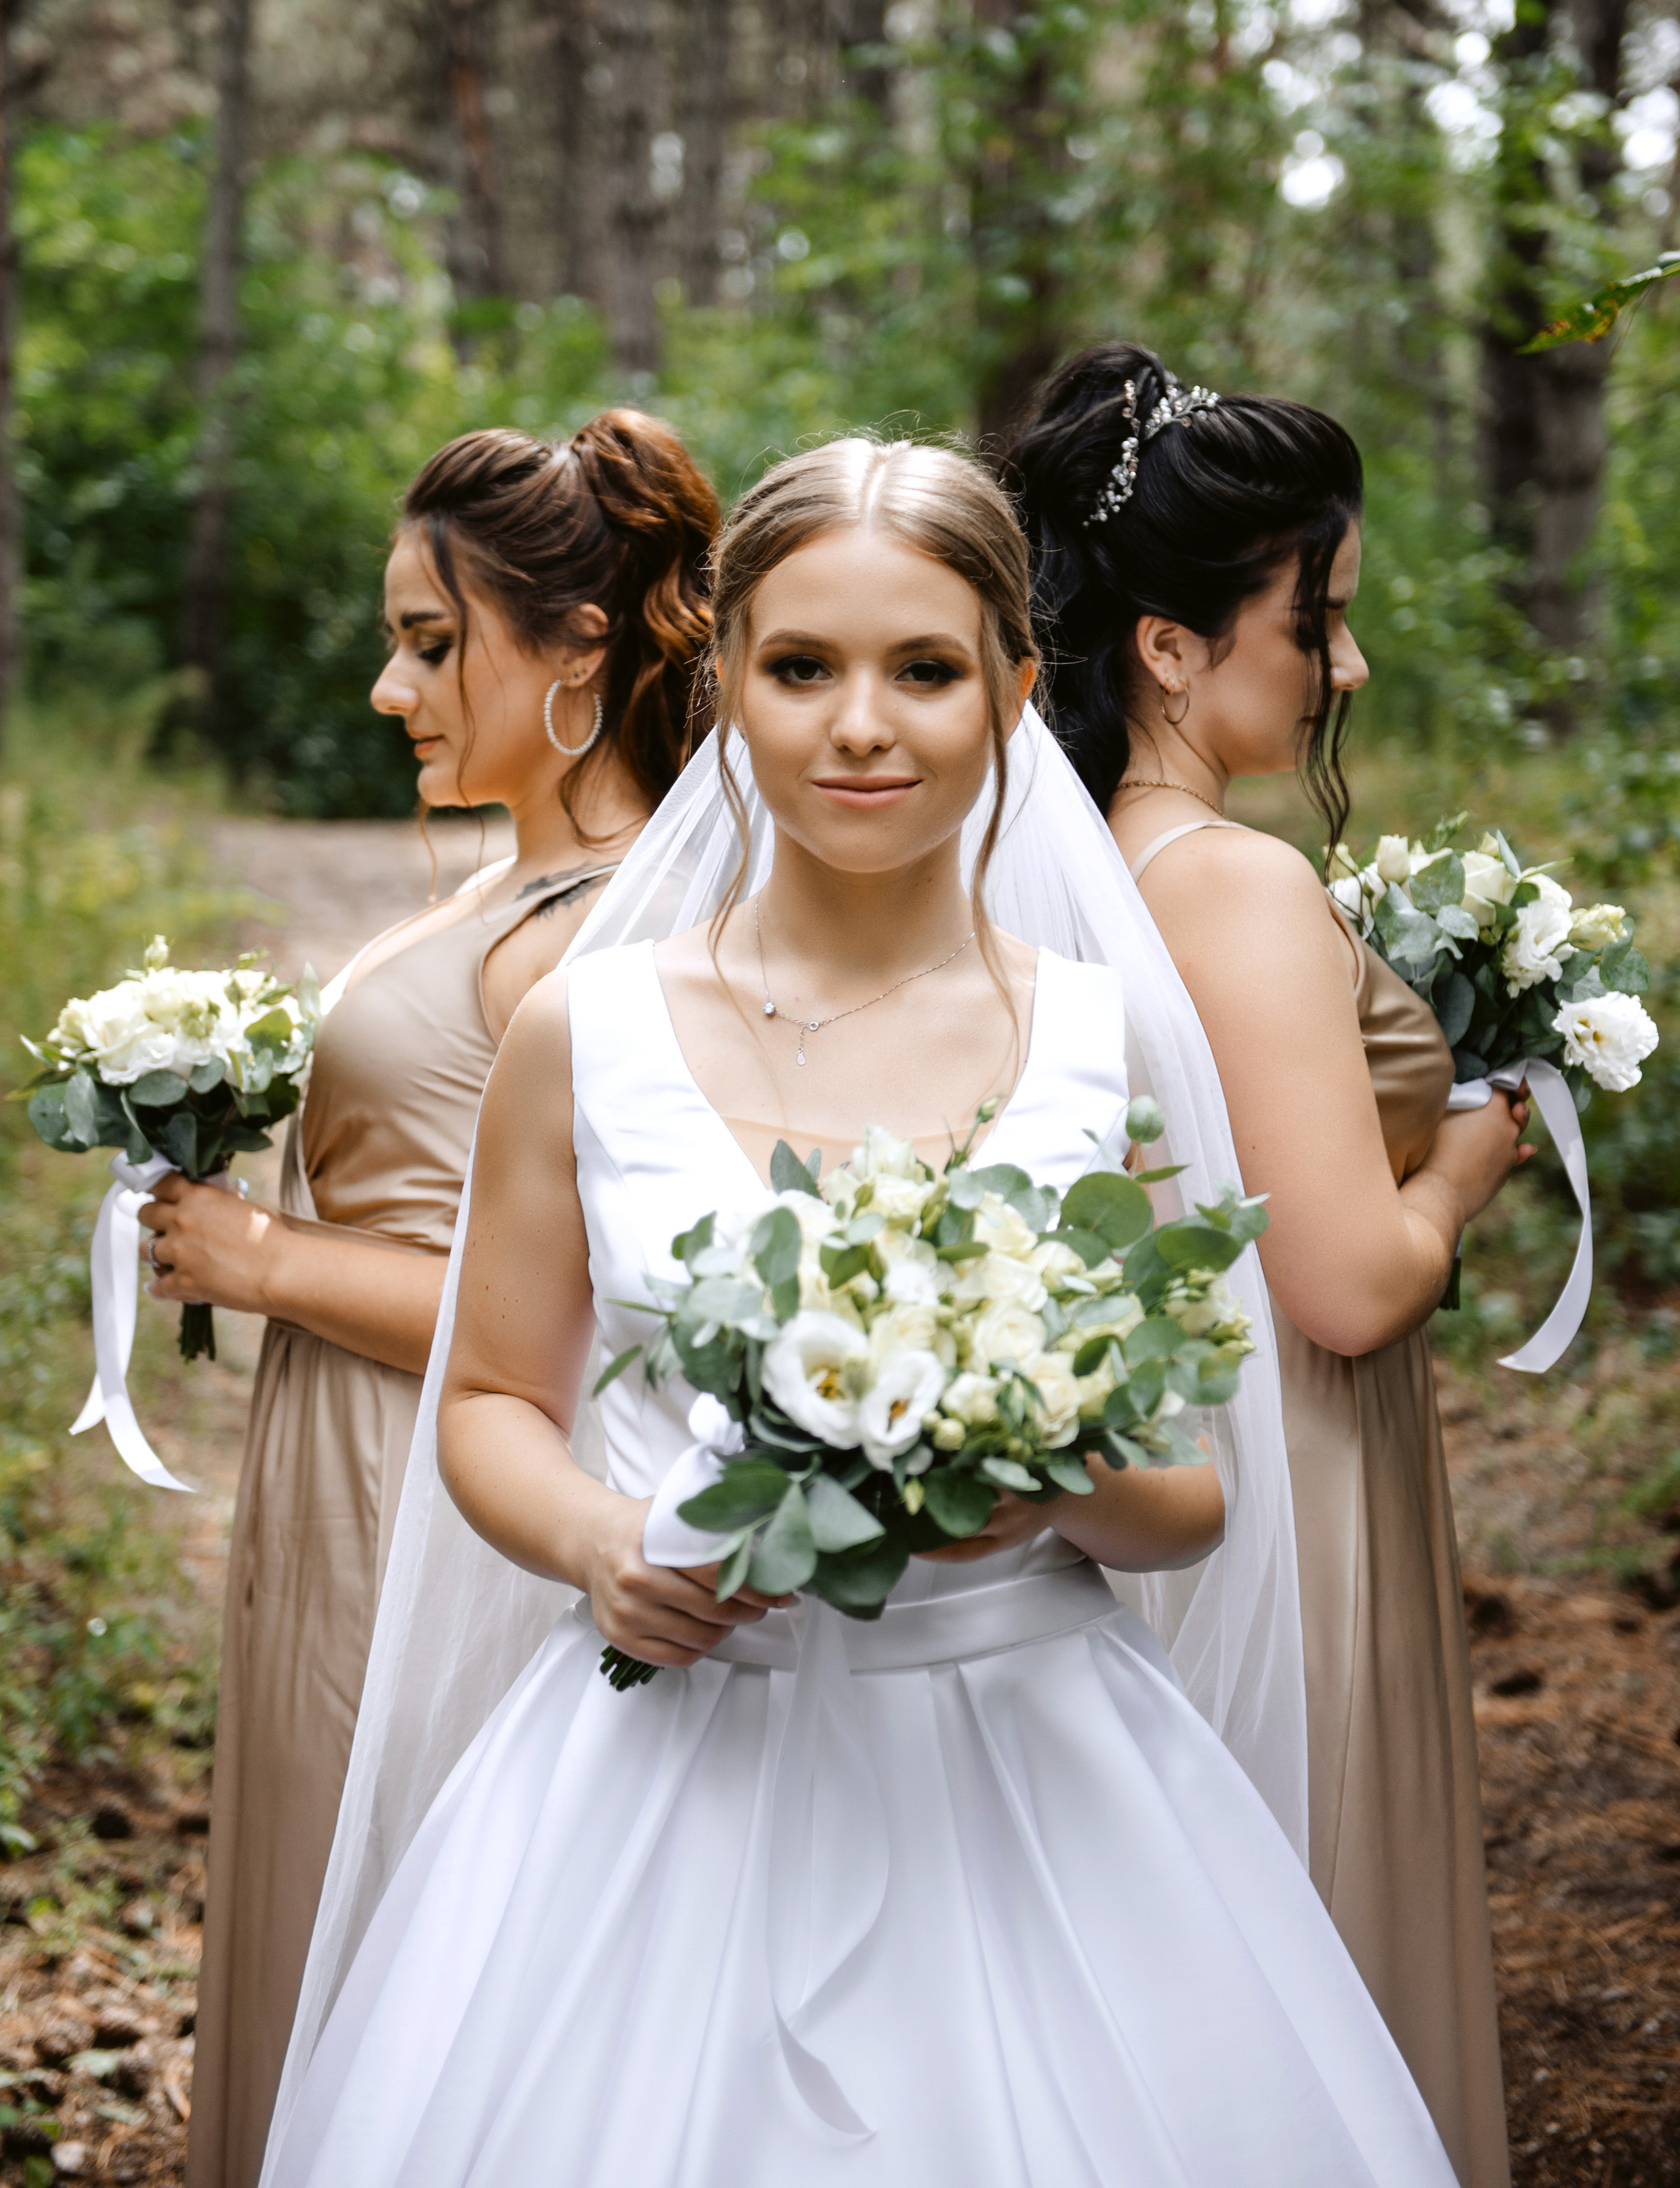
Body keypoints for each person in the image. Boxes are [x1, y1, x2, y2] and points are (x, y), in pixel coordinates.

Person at [261, 438, 1458, 2188]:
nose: (862, 727)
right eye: (805, 666)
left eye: (926, 670)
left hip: (1031, 1764)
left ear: (1017, 690)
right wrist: (602, 1543)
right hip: (676, 1752)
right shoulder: (586, 1032)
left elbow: (1194, 1494)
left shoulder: (1101, 1039)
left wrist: (1046, 1476)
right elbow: (492, 1398)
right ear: (729, 684)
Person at [141, 413, 719, 2188]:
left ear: (580, 649)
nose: (393, 689)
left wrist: (264, 1262)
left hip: (438, 1516)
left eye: (430, 641)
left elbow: (605, 1306)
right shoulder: (515, 883)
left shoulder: (604, 929)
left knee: (404, 1940)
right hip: (347, 1473)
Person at [1011, 340, 1530, 2188]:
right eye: (1318, 623)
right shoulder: (1230, 884)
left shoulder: (1072, 868)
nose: (1348, 666)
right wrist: (1463, 1162)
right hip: (1292, 1464)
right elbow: (1351, 1283)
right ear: (1170, 646)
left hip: (1164, 1447)